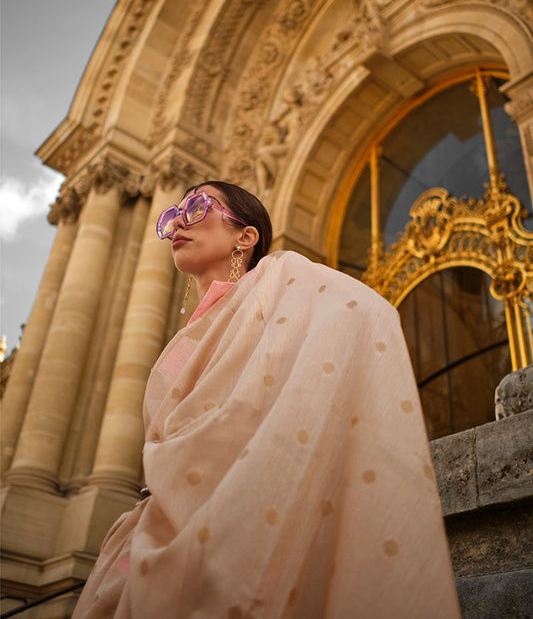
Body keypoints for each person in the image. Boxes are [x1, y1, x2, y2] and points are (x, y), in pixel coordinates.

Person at [73, 181, 461, 618]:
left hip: (244, 509)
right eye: (172, 215)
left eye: (199, 206)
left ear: (246, 236)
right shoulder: (185, 338)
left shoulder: (281, 280)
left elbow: (363, 311)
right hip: (161, 523)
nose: (179, 221)